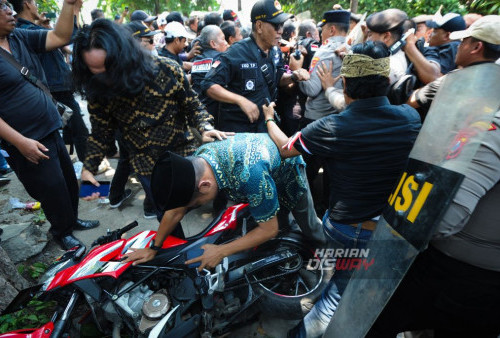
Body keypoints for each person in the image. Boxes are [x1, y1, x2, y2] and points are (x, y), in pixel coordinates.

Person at [264, 41, 421, 337]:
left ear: (345, 82)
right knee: (345, 280)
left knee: (335, 295)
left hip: (348, 229)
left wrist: (269, 118)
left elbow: (285, 148)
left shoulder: (331, 127)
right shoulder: (410, 118)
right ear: (386, 82)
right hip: (389, 227)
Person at [366, 16, 500, 337]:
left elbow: (444, 218)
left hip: (456, 270)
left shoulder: (486, 119)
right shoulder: (456, 83)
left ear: (476, 46)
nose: (459, 45)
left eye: (465, 41)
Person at [72, 20, 230, 233]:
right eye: (96, 71)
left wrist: (204, 126)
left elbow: (192, 105)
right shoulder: (98, 90)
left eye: (109, 68)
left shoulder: (167, 69)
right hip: (146, 166)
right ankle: (176, 254)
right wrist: (89, 169)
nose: (105, 77)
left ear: (125, 56)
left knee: (202, 202)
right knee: (165, 216)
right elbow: (101, 133)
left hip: (183, 156)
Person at [123, 133, 326, 267]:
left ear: (204, 186)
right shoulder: (200, 159)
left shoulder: (250, 175)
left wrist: (221, 251)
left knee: (306, 223)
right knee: (262, 221)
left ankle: (327, 256)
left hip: (287, 173)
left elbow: (268, 229)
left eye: (196, 204)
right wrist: (153, 248)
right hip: (260, 172)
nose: (191, 208)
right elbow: (176, 210)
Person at [0, 0, 99, 250]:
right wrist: (20, 142)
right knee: (51, 188)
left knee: (66, 180)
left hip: (50, 127)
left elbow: (60, 36)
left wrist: (69, 5)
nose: (10, 12)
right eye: (2, 8)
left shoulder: (20, 37)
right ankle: (61, 231)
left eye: (9, 6)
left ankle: (72, 220)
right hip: (26, 139)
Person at [201, 0, 310, 133]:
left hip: (265, 127)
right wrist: (240, 100)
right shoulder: (236, 52)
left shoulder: (275, 51)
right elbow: (209, 85)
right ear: (259, 26)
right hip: (239, 130)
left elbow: (278, 78)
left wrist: (293, 76)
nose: (281, 31)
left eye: (282, 25)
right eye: (276, 25)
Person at [13, 0, 90, 162]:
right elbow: (67, 36)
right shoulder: (25, 32)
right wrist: (74, 10)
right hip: (56, 89)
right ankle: (89, 168)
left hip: (56, 87)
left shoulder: (25, 30)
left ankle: (71, 157)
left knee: (68, 128)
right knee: (78, 128)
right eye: (34, 2)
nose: (37, 7)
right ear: (27, 3)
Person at [408, 15, 500, 119]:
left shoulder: (453, 81)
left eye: (463, 40)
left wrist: (409, 46)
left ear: (476, 47)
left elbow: (410, 102)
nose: (458, 45)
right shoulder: (495, 84)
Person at [405, 13, 466, 85]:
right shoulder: (455, 47)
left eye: (435, 31)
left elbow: (434, 78)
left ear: (446, 36)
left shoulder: (451, 47)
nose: (430, 34)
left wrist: (410, 46)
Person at [191, 25, 228, 120]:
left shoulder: (196, 59)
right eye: (223, 39)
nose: (226, 43)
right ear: (213, 43)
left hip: (197, 114)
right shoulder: (221, 59)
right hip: (215, 116)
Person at [365, 8, 409, 84]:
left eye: (370, 35)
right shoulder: (393, 57)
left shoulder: (388, 67)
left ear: (386, 36)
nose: (367, 40)